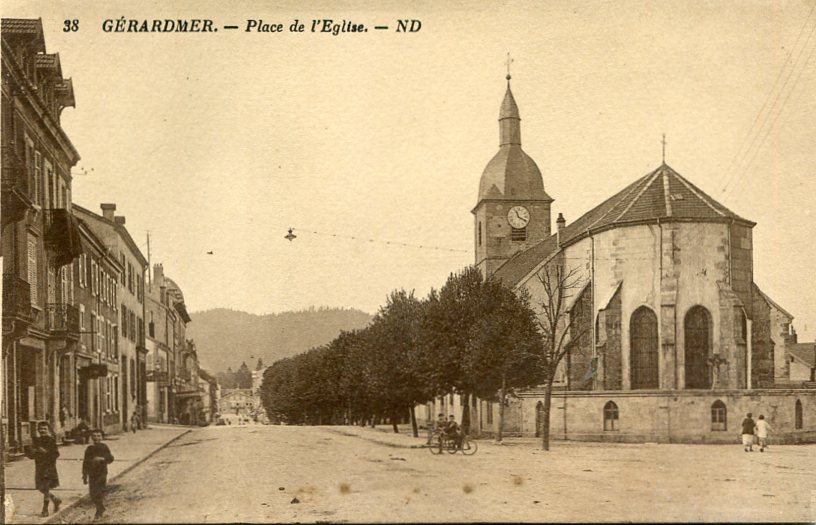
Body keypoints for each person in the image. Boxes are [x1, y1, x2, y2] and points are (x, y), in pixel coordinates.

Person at [26, 422, 62, 517]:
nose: (42, 431)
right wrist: (31, 452)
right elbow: (31, 456)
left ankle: (45, 510)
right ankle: (55, 499)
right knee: (40, 488)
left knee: (45, 488)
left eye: (45, 429)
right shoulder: (36, 441)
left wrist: (45, 452)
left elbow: (56, 454)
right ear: (38, 430)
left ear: (48, 430)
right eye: (41, 429)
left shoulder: (51, 441)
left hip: (49, 467)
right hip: (39, 467)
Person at [82, 429, 115, 521]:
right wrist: (84, 475)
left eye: (98, 436)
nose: (96, 438)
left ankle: (98, 512)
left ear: (102, 437)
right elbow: (85, 462)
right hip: (92, 474)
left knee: (99, 491)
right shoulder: (89, 449)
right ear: (92, 437)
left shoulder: (104, 447)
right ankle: (101, 508)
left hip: (101, 473)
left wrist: (102, 459)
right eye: (94, 436)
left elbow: (111, 458)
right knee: (92, 493)